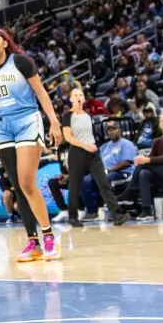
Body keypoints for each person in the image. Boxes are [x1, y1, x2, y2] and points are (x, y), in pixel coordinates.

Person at [0, 28, 63, 262]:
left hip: (27, 120)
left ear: (5, 43)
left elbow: (41, 93)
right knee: (16, 186)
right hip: (2, 127)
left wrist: (54, 122)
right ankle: (33, 243)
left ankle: (49, 236)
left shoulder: (21, 62)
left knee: (26, 182)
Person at [60, 88, 127, 227]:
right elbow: (68, 138)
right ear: (71, 99)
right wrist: (85, 146)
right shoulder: (67, 116)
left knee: (104, 183)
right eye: (75, 95)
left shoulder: (88, 115)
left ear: (84, 99)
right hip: (77, 153)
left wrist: (93, 145)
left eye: (81, 95)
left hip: (93, 153)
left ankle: (117, 214)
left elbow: (89, 135)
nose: (79, 97)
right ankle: (72, 217)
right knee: (74, 185)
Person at [118, 112, 163, 221]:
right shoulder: (157, 141)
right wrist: (141, 160)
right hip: (160, 172)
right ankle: (146, 210)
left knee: (145, 165)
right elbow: (151, 159)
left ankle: (128, 195)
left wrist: (146, 160)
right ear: (159, 125)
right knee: (143, 173)